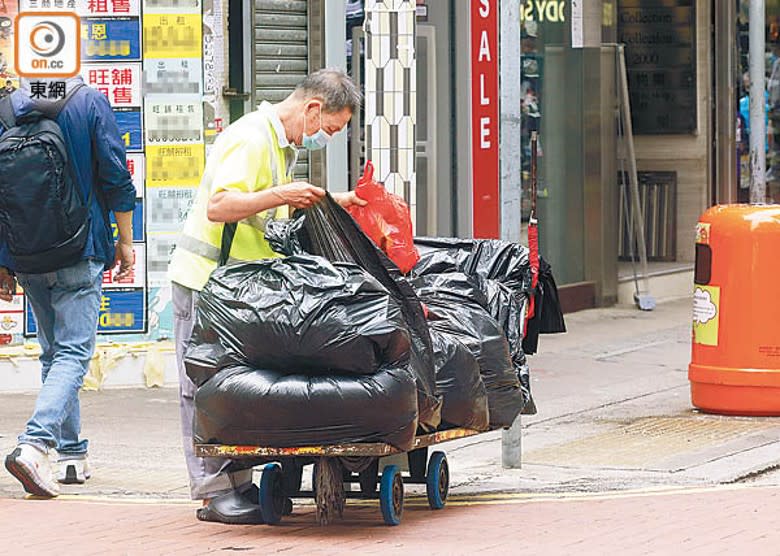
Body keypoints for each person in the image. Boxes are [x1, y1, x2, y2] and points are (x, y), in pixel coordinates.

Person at [168, 68, 366, 524]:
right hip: (204, 281)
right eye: (329, 130)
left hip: (235, 290)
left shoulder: (281, 145)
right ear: (312, 109)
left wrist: (335, 200)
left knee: (231, 387)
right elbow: (221, 205)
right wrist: (281, 192)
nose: (325, 139)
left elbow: (269, 209)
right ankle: (213, 491)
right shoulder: (252, 139)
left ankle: (237, 483)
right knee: (200, 387)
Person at [0, 77, 136, 497]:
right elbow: (116, 177)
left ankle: (72, 455)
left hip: (29, 254)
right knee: (74, 353)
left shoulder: (6, 109)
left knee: (53, 353)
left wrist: (4, 263)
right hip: (81, 248)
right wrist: (126, 241)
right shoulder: (89, 102)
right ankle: (35, 444)